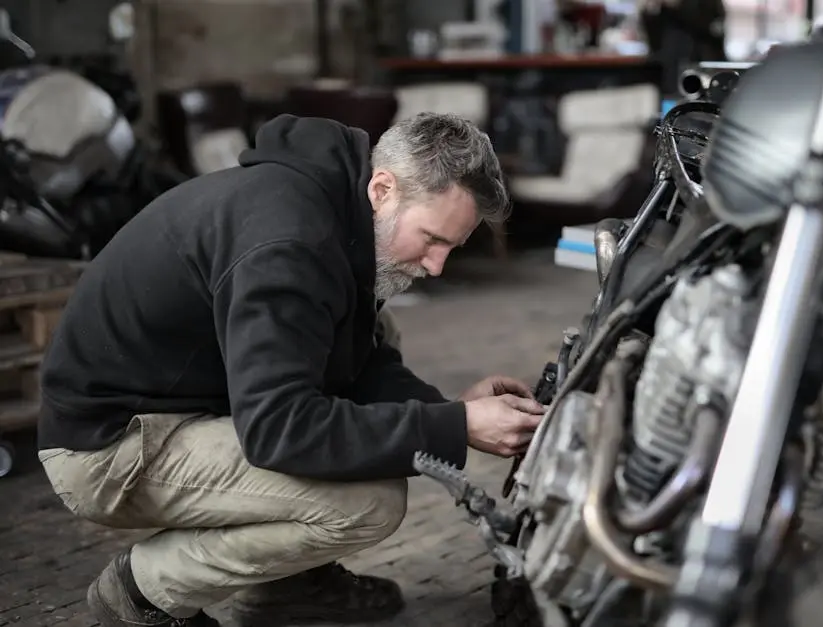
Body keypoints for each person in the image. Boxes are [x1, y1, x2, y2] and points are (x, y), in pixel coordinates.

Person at [36, 112, 547, 627]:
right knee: (367, 502)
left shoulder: (335, 208)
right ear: (383, 189)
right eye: (433, 239)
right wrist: (456, 428)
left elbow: (359, 363)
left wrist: (452, 411)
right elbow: (280, 429)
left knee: (377, 339)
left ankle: (285, 585)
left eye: (452, 249)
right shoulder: (289, 245)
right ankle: (142, 591)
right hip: (108, 448)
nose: (437, 266)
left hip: (183, 400)